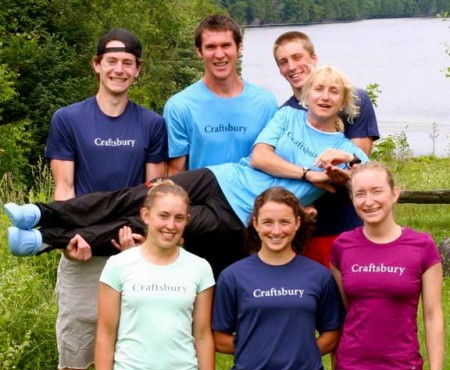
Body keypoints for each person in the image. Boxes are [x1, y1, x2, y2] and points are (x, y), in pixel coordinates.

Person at [6, 66, 368, 276]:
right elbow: (260, 157)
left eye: (333, 91)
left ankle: (42, 240)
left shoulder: (349, 152)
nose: (324, 95)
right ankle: (38, 211)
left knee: (152, 225)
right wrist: (308, 173)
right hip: (218, 176)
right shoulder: (287, 115)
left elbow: (365, 181)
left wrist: (339, 168)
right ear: (307, 92)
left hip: (239, 216)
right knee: (134, 196)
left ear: (343, 100)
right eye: (318, 88)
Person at [41, 28, 167, 370]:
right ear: (97, 65)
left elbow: (153, 192)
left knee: (135, 355)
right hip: (82, 251)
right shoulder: (67, 119)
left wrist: (145, 241)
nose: (119, 69)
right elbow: (63, 189)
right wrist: (68, 241)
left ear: (138, 69)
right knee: (75, 355)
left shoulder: (153, 124)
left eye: (128, 63)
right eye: (111, 61)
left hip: (134, 252)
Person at [212, 186, 345, 370]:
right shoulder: (232, 276)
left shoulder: (319, 275)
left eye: (284, 222)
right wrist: (260, 350)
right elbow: (219, 338)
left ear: (297, 223)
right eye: (267, 222)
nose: (276, 231)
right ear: (256, 224)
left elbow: (332, 334)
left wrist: (301, 353)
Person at [273, 31, 380, 267]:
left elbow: (359, 168)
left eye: (297, 57)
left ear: (313, 57)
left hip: (346, 224)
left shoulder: (354, 101)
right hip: (303, 229)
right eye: (283, 61)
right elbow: (275, 168)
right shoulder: (284, 115)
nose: (292, 67)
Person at [330, 161, 444, 370]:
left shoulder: (422, 246)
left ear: (394, 194)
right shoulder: (341, 247)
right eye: (360, 193)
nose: (369, 201)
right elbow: (346, 310)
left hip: (404, 369)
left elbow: (432, 315)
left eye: (377, 191)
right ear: (352, 199)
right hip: (351, 369)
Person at [95, 180, 215, 370]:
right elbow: (105, 334)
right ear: (146, 215)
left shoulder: (200, 268)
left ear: (187, 220)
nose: (171, 225)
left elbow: (203, 336)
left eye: (179, 218)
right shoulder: (118, 265)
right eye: (163, 216)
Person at [164, 14, 277, 175]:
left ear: (239, 47)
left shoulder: (266, 103)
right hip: (202, 199)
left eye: (226, 45)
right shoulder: (180, 107)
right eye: (211, 47)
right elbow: (176, 174)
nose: (219, 54)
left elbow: (274, 163)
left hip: (255, 199)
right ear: (199, 51)